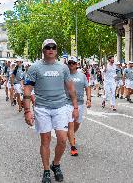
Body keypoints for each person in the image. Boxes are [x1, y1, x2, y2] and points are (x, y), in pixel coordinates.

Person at [23, 39, 79, 183]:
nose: (51, 49)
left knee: (62, 140)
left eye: (54, 47)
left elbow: (71, 88)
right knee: (45, 140)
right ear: (43, 50)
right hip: (42, 108)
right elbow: (28, 89)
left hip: (60, 107)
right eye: (48, 47)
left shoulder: (63, 68)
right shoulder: (35, 68)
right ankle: (46, 170)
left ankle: (56, 164)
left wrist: (75, 107)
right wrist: (27, 111)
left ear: (56, 50)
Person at [66, 56, 91, 156]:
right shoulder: (65, 75)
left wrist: (89, 99)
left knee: (77, 124)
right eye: (70, 63)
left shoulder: (82, 76)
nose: (71, 64)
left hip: (80, 103)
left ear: (77, 64)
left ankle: (71, 135)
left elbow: (87, 87)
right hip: (68, 103)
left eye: (73, 63)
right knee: (70, 124)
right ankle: (73, 146)